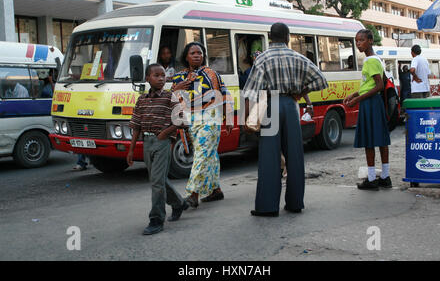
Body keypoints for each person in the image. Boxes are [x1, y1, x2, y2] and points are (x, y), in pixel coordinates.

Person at [243, 22, 328, 217]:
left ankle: (267, 206)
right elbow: (321, 80)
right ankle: (295, 203)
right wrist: (300, 92)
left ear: (270, 37)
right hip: (291, 106)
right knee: (295, 155)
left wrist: (245, 119)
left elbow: (251, 91)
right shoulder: (298, 57)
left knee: (269, 156)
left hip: (271, 105)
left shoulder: (263, 58)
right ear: (288, 37)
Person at [127, 63, 188, 235]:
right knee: (158, 180)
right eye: (156, 75)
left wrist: (165, 134)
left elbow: (182, 121)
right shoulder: (142, 99)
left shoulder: (170, 97)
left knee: (156, 183)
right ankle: (179, 203)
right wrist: (131, 150)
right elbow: (136, 125)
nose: (161, 78)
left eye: (163, 75)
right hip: (147, 142)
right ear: (147, 78)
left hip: (161, 143)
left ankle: (156, 219)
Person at [171, 42, 234, 208]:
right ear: (186, 56)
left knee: (202, 154)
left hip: (210, 116)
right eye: (193, 53)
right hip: (190, 120)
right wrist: (177, 89)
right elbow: (171, 100)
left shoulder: (211, 74)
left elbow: (225, 93)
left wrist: (228, 116)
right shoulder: (179, 77)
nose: (197, 55)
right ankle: (215, 190)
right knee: (209, 155)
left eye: (199, 52)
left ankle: (193, 194)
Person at [344, 29, 391, 191]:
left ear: (370, 41)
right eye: (356, 41)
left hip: (370, 103)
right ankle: (385, 176)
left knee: (369, 142)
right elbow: (371, 84)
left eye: (362, 40)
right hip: (374, 102)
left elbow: (379, 85)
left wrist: (357, 99)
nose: (358, 44)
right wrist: (354, 94)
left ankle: (371, 179)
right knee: (381, 140)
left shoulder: (370, 61)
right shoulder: (377, 59)